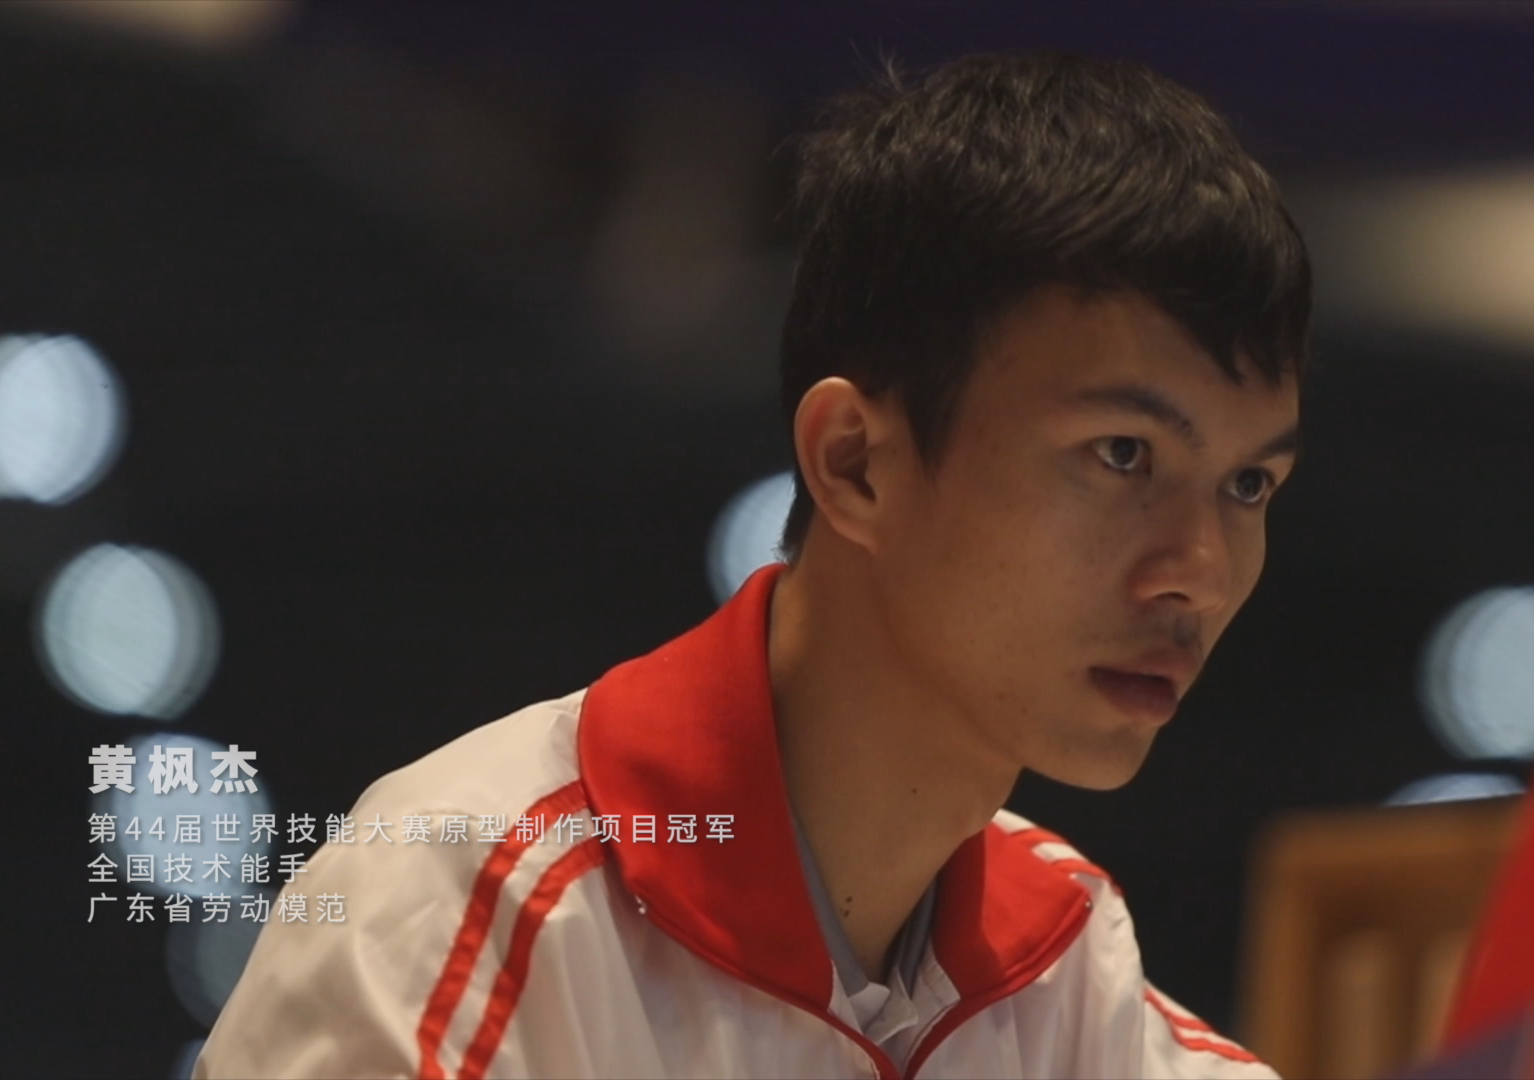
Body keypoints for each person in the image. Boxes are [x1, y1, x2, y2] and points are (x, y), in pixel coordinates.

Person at [196, 49, 1307, 1080]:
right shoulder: (459, 909)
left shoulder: (1070, 966)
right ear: (856, 462)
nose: (1201, 570)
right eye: (1123, 454)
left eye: (1250, 484)